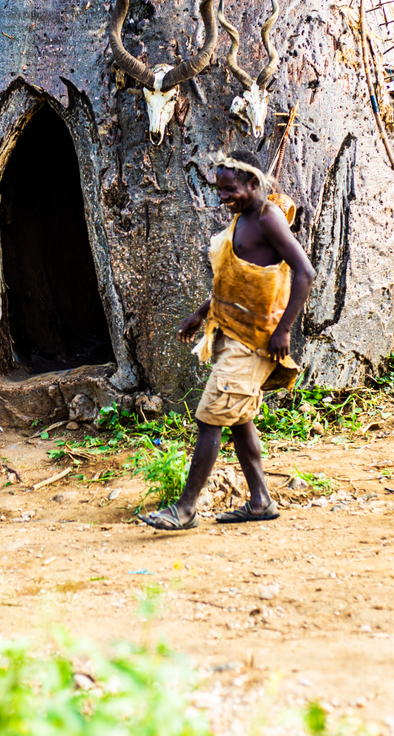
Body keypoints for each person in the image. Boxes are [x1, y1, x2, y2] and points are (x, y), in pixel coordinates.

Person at [138, 149, 314, 531]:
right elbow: (237, 279)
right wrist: (200, 314)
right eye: (219, 189)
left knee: (210, 418)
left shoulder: (268, 219)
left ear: (253, 183)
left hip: (256, 342)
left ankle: (185, 508)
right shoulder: (242, 218)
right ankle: (260, 501)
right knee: (239, 420)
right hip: (231, 331)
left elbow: (304, 272)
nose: (222, 196)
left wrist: (283, 330)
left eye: (229, 189)